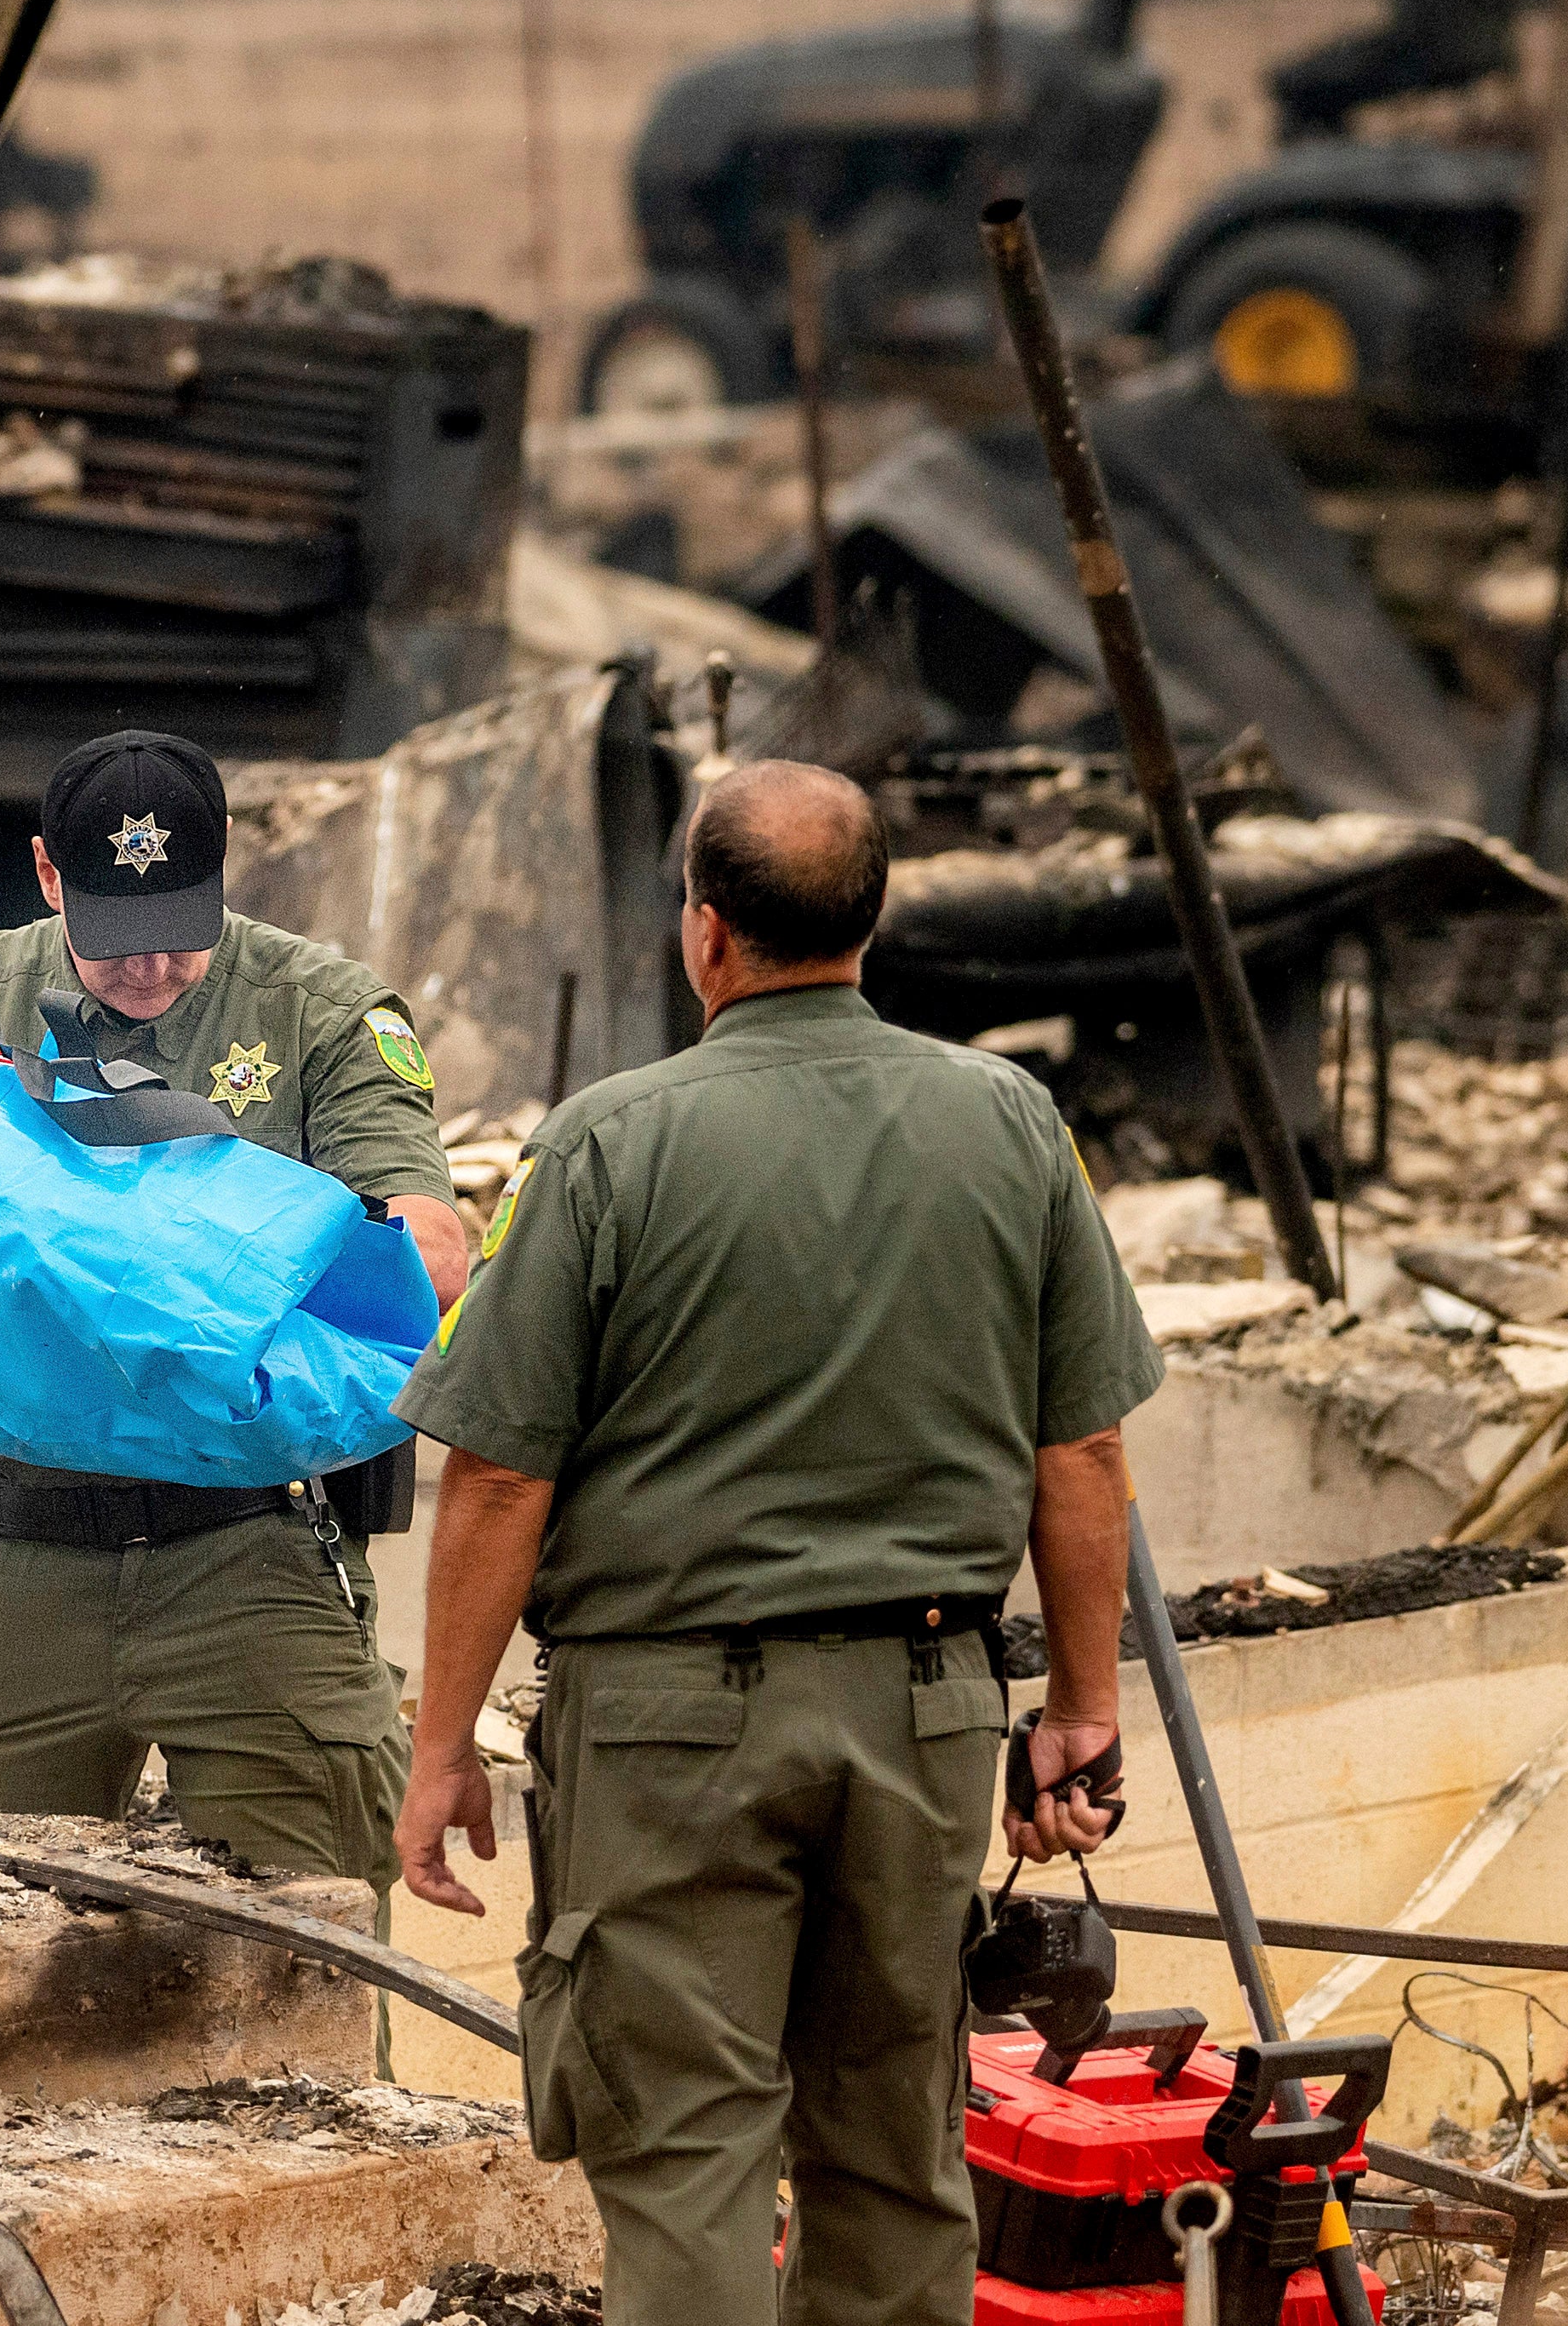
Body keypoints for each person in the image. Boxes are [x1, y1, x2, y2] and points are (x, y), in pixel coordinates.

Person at [390, 759, 1150, 2326]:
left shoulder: (604, 1144)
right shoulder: (1009, 1123)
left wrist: (442, 1739)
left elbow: (495, 1476)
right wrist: (1080, 1702)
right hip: (926, 1708)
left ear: (704, 931)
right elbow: (1080, 1446)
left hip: (671, 1733)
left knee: (684, 2161)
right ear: (868, 926)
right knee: (893, 2148)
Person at [0, 728, 465, 1888]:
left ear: (224, 864)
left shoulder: (321, 1010)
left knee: (315, 1926)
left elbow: (432, 1252)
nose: (146, 971)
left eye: (175, 935)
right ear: (46, 874)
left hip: (249, 1544)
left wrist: (212, 1257)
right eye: (111, 939)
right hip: (14, 1542)